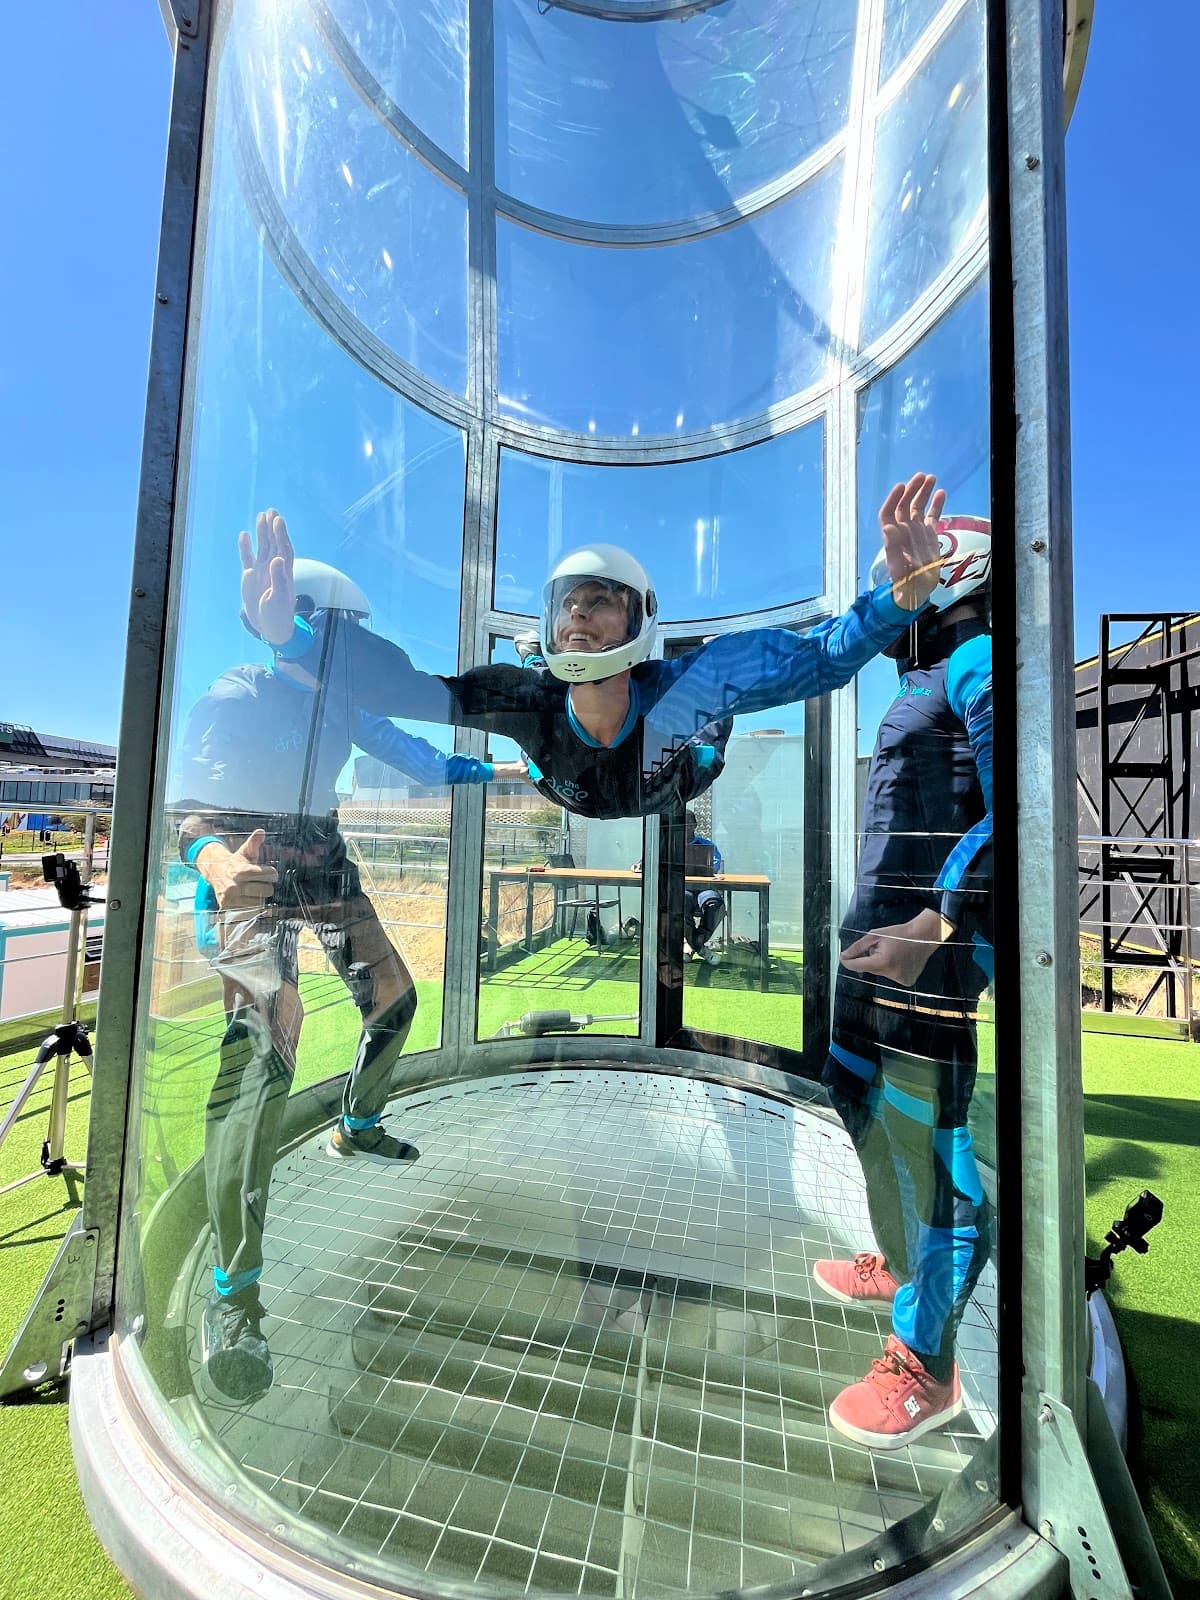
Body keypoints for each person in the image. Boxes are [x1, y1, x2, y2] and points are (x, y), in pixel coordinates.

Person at [174, 559, 524, 1404]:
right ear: (318, 627)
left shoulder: (338, 702)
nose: (365, 654)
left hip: (321, 859)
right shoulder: (235, 693)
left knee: (397, 1001)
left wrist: (506, 773)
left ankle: (357, 1123)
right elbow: (186, 814)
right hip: (249, 874)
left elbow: (412, 752)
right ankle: (235, 1296)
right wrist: (215, 863)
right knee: (260, 1064)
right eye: (354, 638)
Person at [239, 473, 946, 826]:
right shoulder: (524, 702)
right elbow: (403, 687)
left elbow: (820, 659)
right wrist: (290, 636)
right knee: (516, 697)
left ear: (640, 618)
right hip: (565, 783)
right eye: (567, 601)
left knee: (711, 736)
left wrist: (899, 598)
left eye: (601, 598)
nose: (579, 609)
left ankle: (714, 733)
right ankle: (532, 675)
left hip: (674, 779)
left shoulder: (685, 685)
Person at [812, 513, 995, 1451]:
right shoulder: (929, 672)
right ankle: (903, 1264)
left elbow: (1022, 804)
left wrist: (936, 926)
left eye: (912, 575)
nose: (897, 594)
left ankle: (927, 1363)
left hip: (931, 959)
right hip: (879, 946)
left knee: (937, 1158)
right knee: (853, 1091)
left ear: (955, 577)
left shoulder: (977, 659)